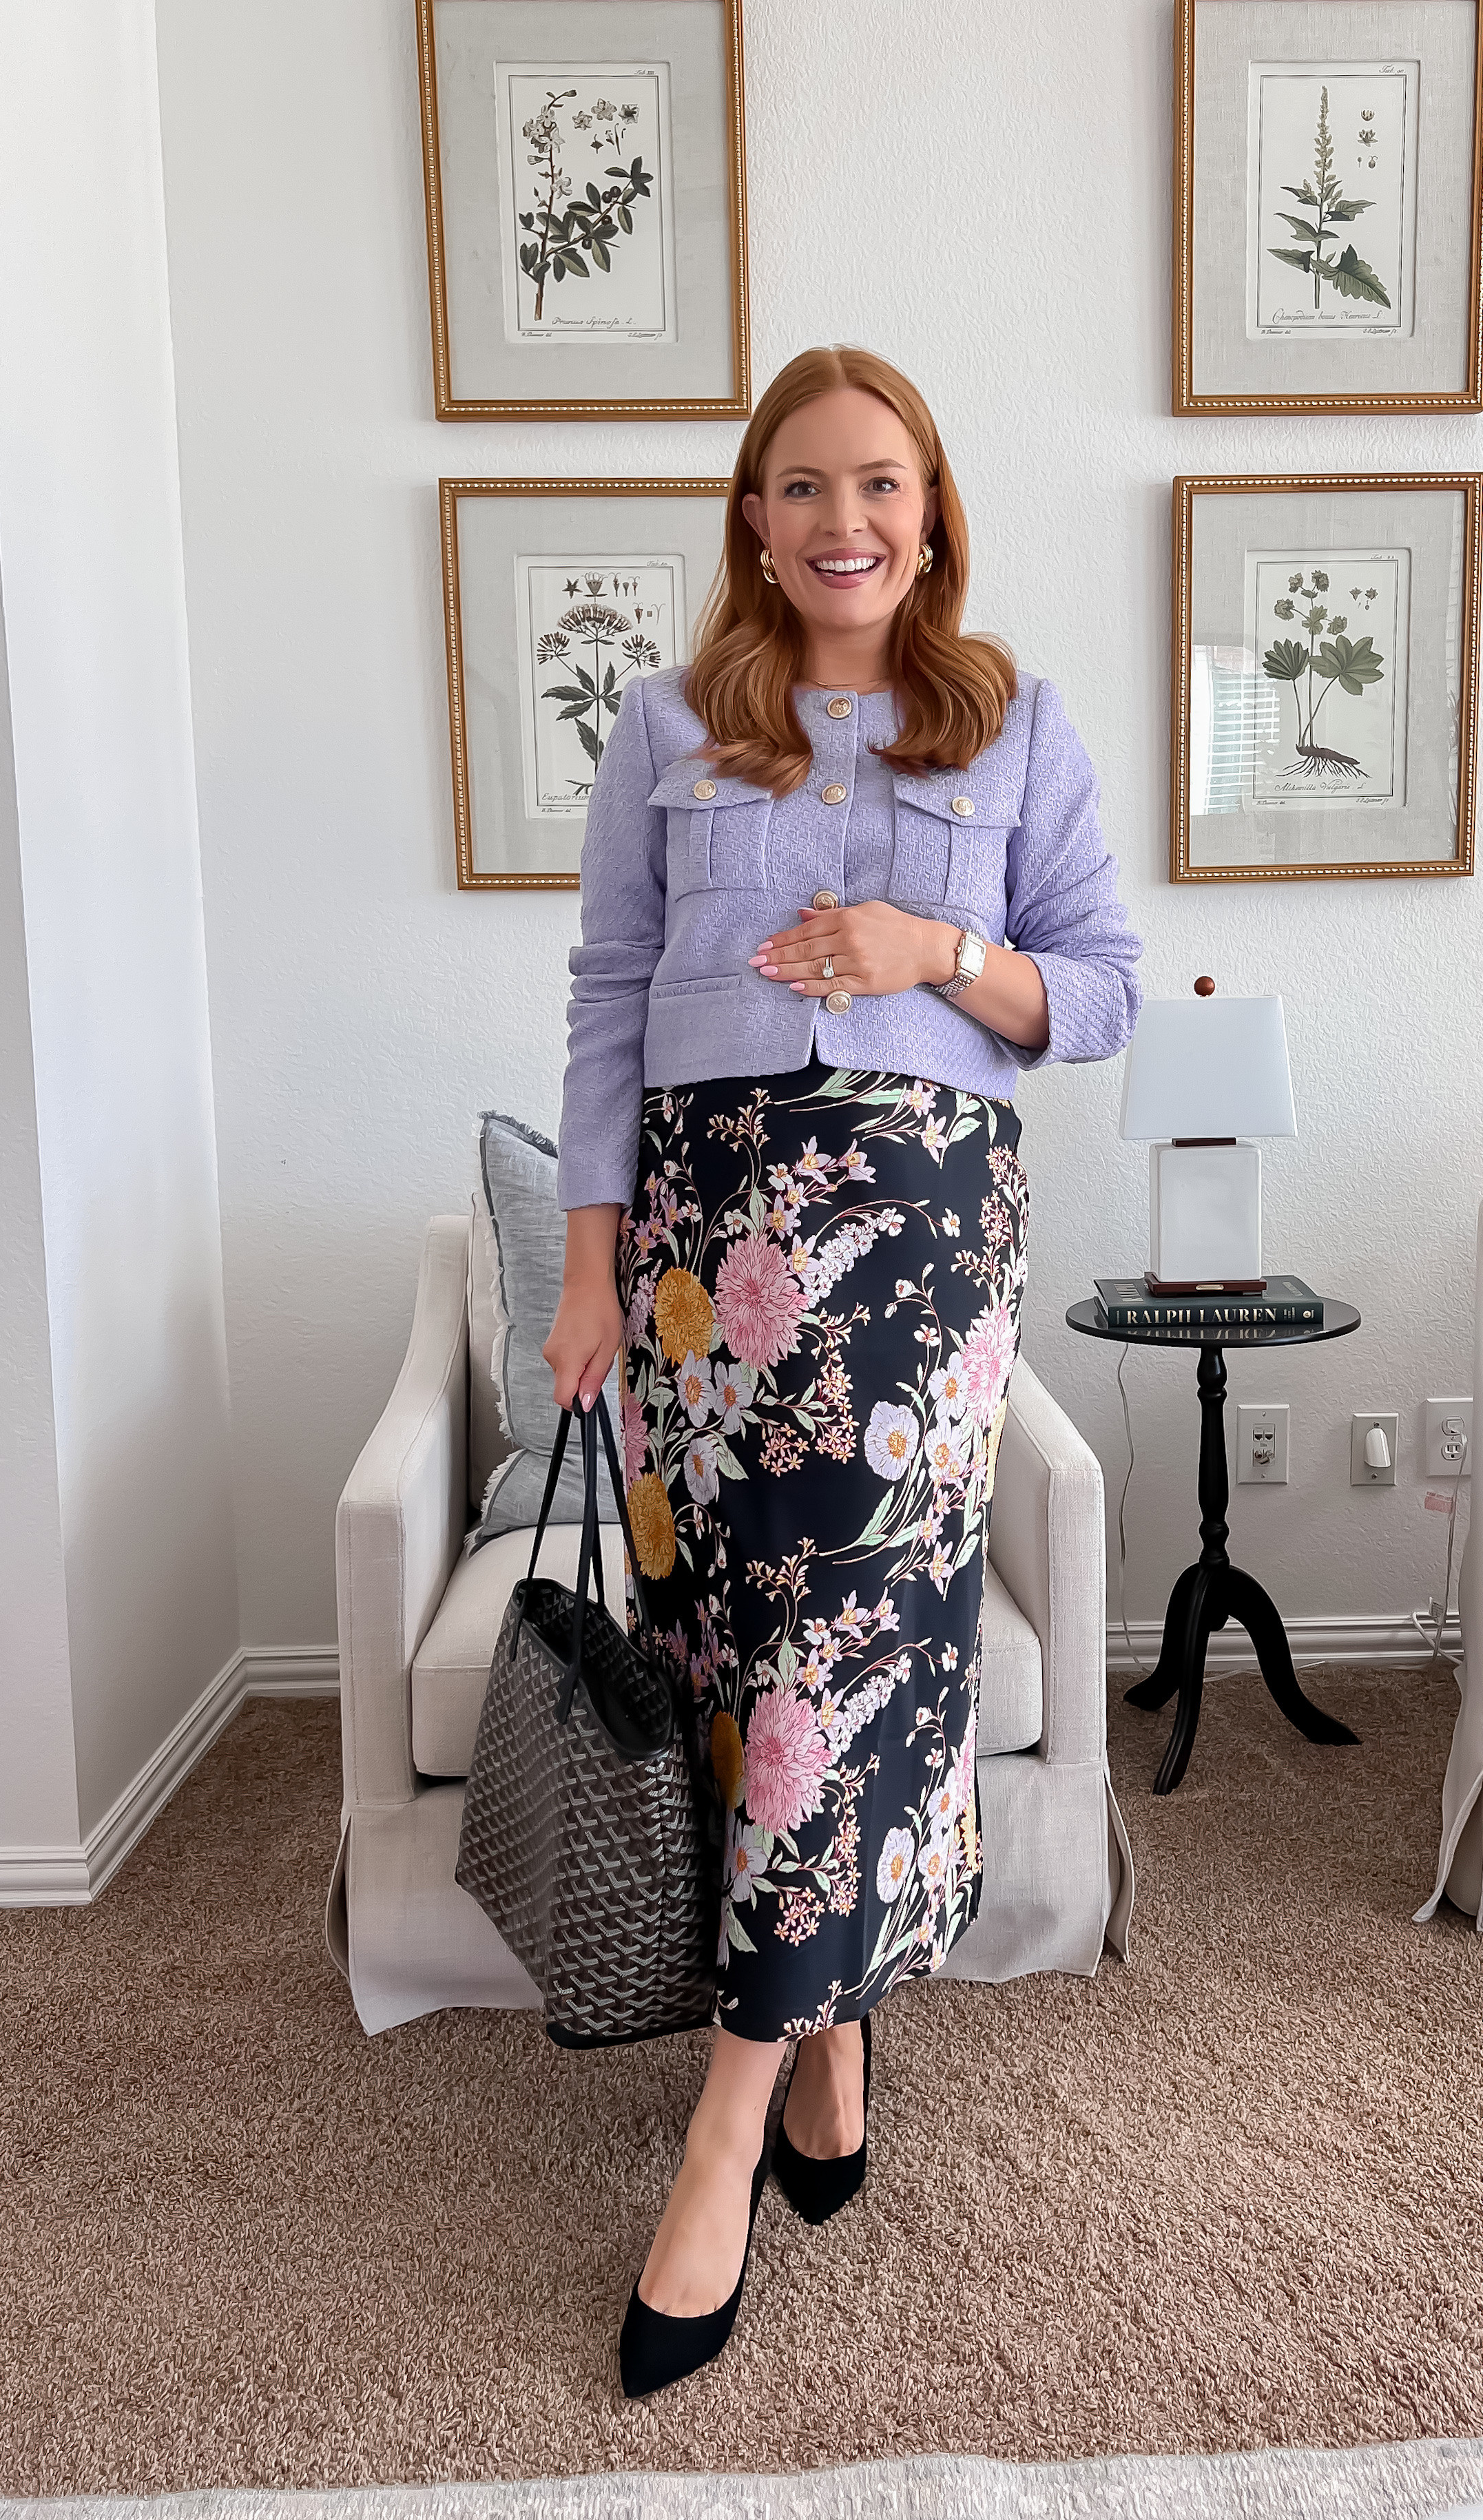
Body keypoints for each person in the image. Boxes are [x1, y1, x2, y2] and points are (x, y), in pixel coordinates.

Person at [543, 344, 1142, 2398]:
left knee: (836, 1666)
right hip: (709, 1264)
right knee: (737, 1661)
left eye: (876, 483)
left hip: (917, 1259)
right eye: (800, 488)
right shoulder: (666, 728)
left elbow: (1104, 991)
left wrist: (931, 954)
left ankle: (720, 2132)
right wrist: (587, 1263)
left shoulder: (1014, 722)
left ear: (931, 506)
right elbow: (611, 995)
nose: (841, 522)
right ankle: (829, 2038)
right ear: (751, 519)